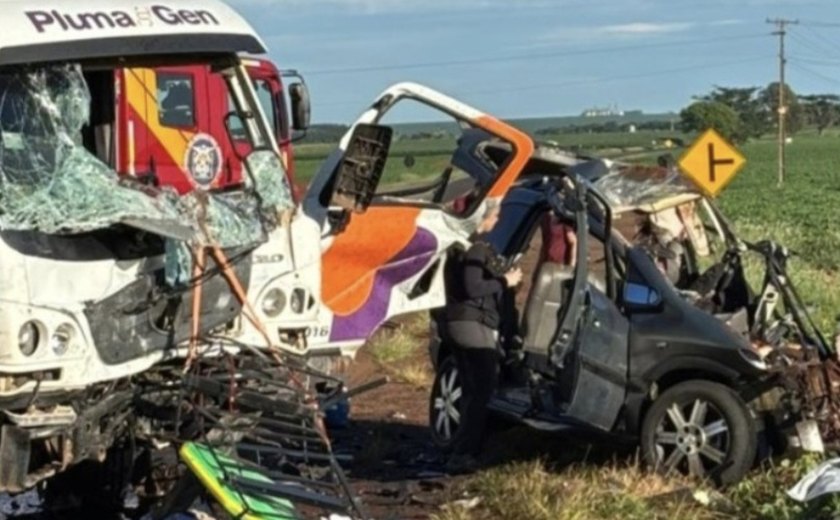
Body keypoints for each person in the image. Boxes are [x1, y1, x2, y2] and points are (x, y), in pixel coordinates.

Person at [443, 201, 522, 463]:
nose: (497, 221)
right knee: (484, 390)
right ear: (483, 218)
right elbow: (473, 287)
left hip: (453, 321)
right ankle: (467, 452)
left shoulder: (457, 246)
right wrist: (504, 281)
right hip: (471, 324)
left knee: (469, 389)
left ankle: (458, 447)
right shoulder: (476, 249)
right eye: (496, 216)